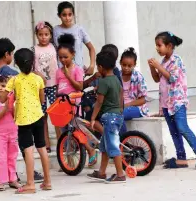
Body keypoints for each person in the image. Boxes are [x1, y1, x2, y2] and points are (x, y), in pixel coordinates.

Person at [0, 38, 44, 183]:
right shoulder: (12, 73)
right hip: (12, 115)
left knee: (2, 150)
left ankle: (7, 175)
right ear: (7, 54)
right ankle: (28, 172)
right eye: (12, 54)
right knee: (20, 145)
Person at [148, 31, 196, 170]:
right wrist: (152, 67)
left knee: (182, 128)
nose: (157, 48)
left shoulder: (176, 60)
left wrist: (158, 66)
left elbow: (172, 78)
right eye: (156, 46)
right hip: (166, 103)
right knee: (174, 131)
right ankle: (181, 158)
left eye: (159, 45)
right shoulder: (164, 61)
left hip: (177, 102)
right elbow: (157, 78)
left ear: (169, 45)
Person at [6, 48, 52, 194]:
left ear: (16, 64)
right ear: (33, 63)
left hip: (24, 119)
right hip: (38, 116)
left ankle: (30, 184)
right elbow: (42, 99)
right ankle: (48, 181)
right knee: (42, 148)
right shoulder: (38, 79)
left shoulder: (14, 80)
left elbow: (6, 98)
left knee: (28, 150)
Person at [56, 33, 97, 167]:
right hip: (62, 104)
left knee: (76, 129)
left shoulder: (77, 70)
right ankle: (68, 160)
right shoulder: (58, 71)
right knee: (64, 131)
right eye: (60, 57)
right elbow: (59, 88)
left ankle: (91, 151)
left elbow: (79, 87)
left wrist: (69, 76)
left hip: (73, 104)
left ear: (73, 54)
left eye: (66, 57)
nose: (63, 60)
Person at [87, 51, 126, 183]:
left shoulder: (103, 82)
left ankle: (120, 174)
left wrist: (93, 118)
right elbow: (121, 92)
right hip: (117, 116)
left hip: (109, 118)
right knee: (104, 146)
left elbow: (99, 102)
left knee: (113, 146)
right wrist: (120, 108)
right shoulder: (116, 78)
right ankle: (102, 172)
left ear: (101, 67)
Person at [32, 21, 60, 152]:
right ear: (37, 35)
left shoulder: (54, 47)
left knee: (56, 113)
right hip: (40, 87)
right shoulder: (34, 49)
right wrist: (37, 74)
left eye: (46, 34)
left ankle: (61, 142)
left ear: (50, 35)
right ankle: (46, 143)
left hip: (54, 85)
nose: (43, 37)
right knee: (43, 115)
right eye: (41, 34)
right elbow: (31, 69)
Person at [0, 75, 21, 191]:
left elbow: (15, 116)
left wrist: (13, 104)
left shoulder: (12, 102)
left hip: (13, 133)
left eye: (3, 86)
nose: (1, 88)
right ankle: (1, 181)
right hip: (0, 135)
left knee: (12, 156)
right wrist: (5, 108)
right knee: (2, 158)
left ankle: (13, 179)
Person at [53, 1, 95, 75]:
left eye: (70, 14)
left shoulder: (79, 29)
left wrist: (92, 65)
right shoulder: (55, 30)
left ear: (73, 14)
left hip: (78, 70)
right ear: (59, 15)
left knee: (78, 87)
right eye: (64, 15)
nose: (67, 18)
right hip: (61, 71)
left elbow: (91, 48)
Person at [119, 47, 149, 134]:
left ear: (134, 65)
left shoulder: (138, 77)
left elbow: (144, 99)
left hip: (137, 108)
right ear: (120, 63)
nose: (126, 68)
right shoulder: (117, 75)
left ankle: (124, 140)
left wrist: (128, 105)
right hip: (120, 106)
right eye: (124, 65)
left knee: (118, 115)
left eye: (129, 66)